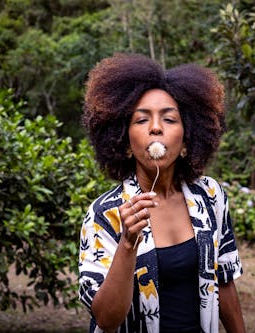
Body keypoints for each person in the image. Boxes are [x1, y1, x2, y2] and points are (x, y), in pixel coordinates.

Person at [78, 53, 245, 333]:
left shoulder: (210, 196)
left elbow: (224, 281)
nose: (156, 128)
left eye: (169, 119)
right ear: (125, 142)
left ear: (186, 138)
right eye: (141, 120)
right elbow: (106, 319)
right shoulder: (105, 214)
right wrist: (128, 243)